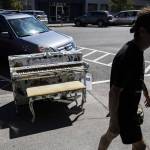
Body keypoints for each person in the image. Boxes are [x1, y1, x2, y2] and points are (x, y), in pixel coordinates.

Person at [98, 7, 150, 150]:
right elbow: (114, 92)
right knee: (140, 146)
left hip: (130, 108)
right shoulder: (128, 55)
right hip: (124, 112)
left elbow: (137, 77)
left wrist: (145, 92)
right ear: (143, 31)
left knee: (111, 136)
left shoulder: (138, 51)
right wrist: (114, 121)